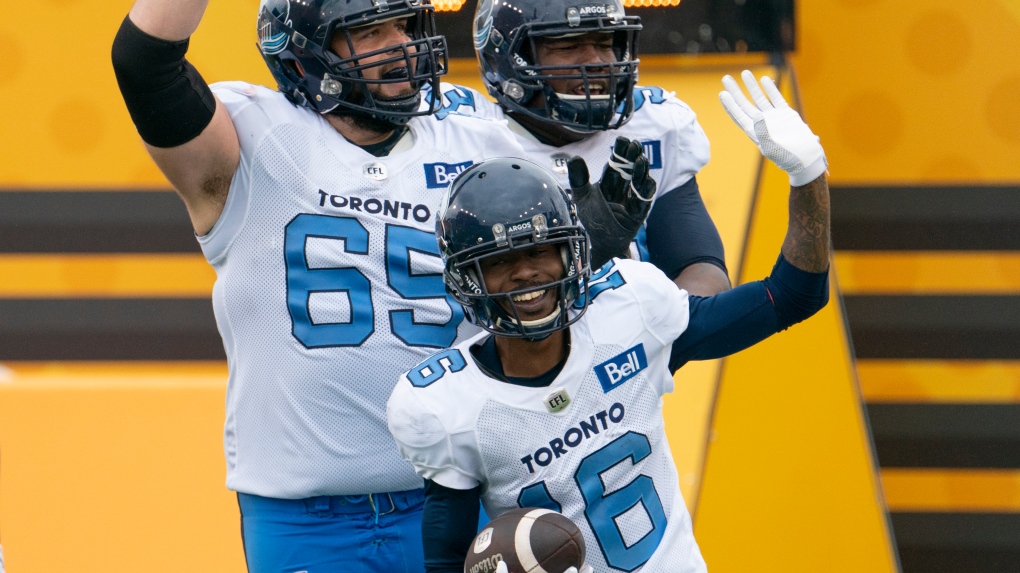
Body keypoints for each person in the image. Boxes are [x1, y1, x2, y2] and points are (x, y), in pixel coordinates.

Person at [109, 0, 572, 571]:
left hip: (456, 495)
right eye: (371, 32)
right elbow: (144, 61)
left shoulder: (478, 139)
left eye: (403, 25)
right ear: (306, 54)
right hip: (302, 516)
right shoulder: (251, 143)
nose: (401, 45)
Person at [387, 70, 830, 573]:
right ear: (468, 278)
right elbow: (445, 559)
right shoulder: (444, 405)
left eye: (540, 251)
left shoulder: (632, 310)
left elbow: (792, 296)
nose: (526, 272)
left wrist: (808, 175)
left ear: (572, 255)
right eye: (498, 261)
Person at [423, 0, 732, 296]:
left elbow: (704, 273)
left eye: (604, 43)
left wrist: (649, 335)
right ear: (507, 58)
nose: (596, 62)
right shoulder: (458, 137)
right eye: (567, 46)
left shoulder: (653, 125)